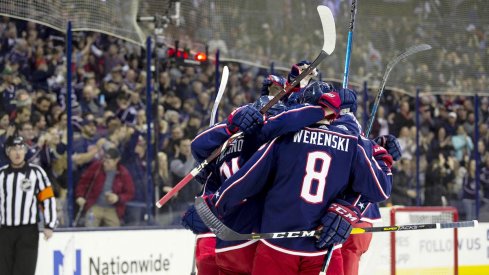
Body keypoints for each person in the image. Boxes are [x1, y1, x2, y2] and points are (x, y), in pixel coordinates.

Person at [209, 90, 393, 275]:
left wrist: (213, 203)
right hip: (323, 247)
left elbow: (245, 179)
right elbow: (380, 189)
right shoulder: (353, 141)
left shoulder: (283, 138)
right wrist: (377, 157)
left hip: (276, 245)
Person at [0, 135, 57, 275]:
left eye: (21, 148)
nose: (18, 152)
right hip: (4, 232)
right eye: (13, 149)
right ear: (8, 152)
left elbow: (47, 198)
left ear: (25, 151)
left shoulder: (37, 173)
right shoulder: (1, 175)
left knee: (24, 271)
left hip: (27, 232)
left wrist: (49, 225)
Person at [75, 147, 135, 227]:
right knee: (89, 226)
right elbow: (83, 182)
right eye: (104, 161)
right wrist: (80, 196)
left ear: (116, 161)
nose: (104, 164)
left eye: (108, 162)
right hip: (95, 206)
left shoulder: (123, 173)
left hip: (112, 209)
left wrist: (118, 198)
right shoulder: (96, 168)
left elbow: (130, 192)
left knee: (115, 229)